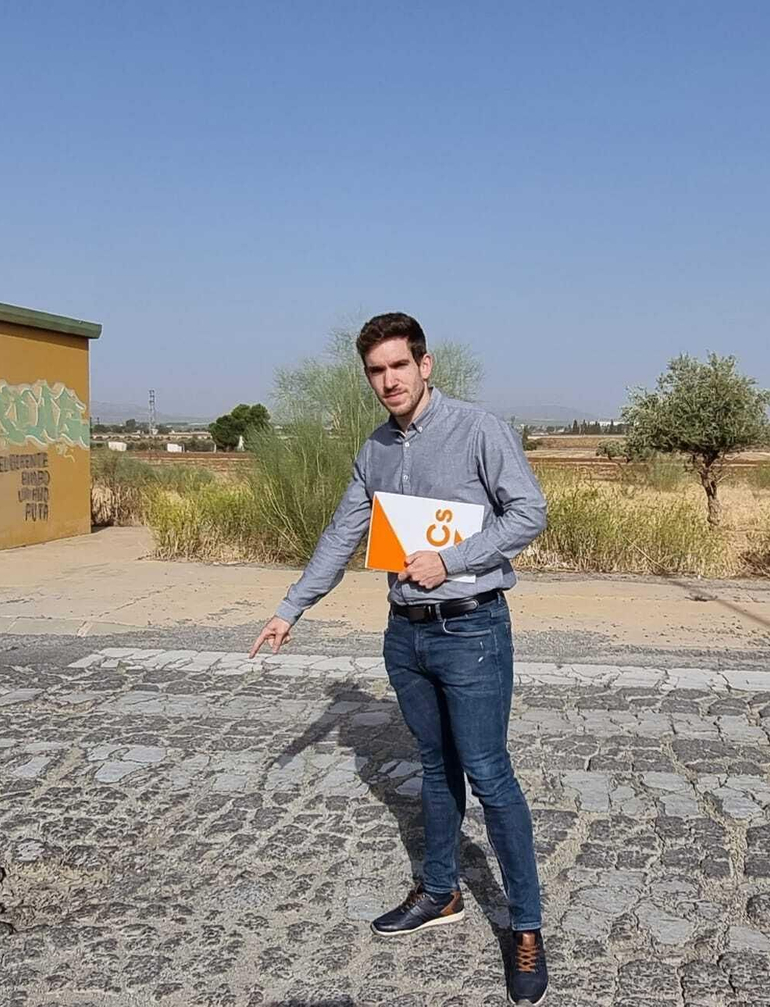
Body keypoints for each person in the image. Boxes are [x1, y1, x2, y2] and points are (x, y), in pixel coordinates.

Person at [249, 312, 550, 1005]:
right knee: (435, 766)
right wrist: (290, 608)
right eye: (376, 371)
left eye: (398, 366)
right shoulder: (375, 450)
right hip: (405, 636)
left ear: (425, 364)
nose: (389, 381)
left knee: (489, 774)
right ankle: (440, 891)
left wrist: (452, 559)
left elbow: (528, 513)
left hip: (472, 630)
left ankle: (526, 925)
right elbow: (341, 534)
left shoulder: (478, 429)